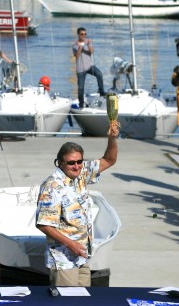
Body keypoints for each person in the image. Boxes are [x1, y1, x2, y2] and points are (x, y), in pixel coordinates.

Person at [36, 121, 120, 287]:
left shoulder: (82, 173)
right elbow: (44, 225)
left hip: (83, 255)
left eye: (79, 161)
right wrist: (72, 245)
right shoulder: (52, 187)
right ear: (60, 163)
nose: (76, 166)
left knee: (82, 302)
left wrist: (112, 138)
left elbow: (109, 160)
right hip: (64, 259)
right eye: (71, 163)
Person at [72, 27, 105, 107]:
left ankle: (101, 92)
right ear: (78, 35)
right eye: (82, 34)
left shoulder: (88, 42)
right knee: (80, 88)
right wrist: (80, 47)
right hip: (80, 69)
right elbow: (77, 55)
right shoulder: (75, 45)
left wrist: (88, 45)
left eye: (85, 34)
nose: (84, 36)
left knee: (99, 74)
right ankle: (81, 103)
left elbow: (91, 52)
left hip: (90, 66)